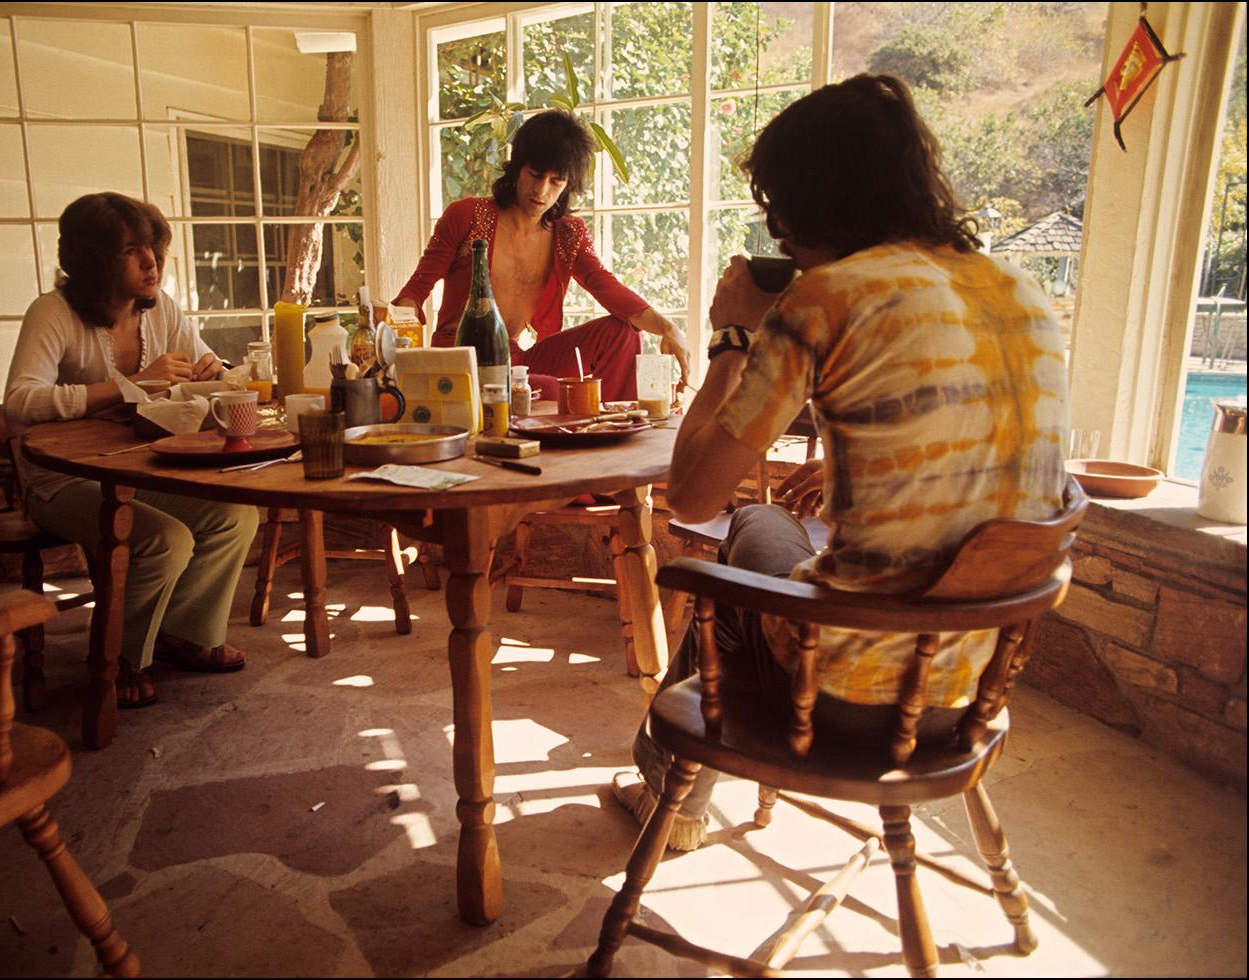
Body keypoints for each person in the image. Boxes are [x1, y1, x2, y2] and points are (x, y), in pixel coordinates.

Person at [611, 75, 1070, 850]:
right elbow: (989, 448)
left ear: (812, 200)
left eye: (780, 206)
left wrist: (731, 334)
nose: (778, 227)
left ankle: (673, 796)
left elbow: (690, 496)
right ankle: (676, 792)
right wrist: (868, 468)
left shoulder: (825, 296)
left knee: (753, 524)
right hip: (967, 689)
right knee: (783, 541)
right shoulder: (1021, 291)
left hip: (848, 696)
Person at [4, 192, 261, 709]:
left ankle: (182, 632)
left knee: (233, 514)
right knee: (161, 540)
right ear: (94, 259)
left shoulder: (161, 309)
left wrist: (221, 373)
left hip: (138, 467)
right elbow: (19, 400)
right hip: (59, 482)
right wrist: (131, 384)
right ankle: (119, 656)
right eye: (131, 251)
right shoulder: (52, 313)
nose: (152, 263)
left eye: (154, 248)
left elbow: (213, 366)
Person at [393, 109, 690, 401]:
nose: (541, 190)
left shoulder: (567, 234)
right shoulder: (467, 215)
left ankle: (612, 429)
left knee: (623, 332)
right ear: (517, 166)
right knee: (547, 390)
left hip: (516, 359)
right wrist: (396, 356)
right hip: (462, 360)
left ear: (568, 185)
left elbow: (607, 286)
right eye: (534, 175)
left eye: (556, 181)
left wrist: (668, 328)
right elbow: (417, 289)